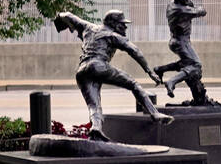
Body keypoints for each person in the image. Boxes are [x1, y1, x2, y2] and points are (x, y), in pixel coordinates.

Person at [53, 10, 173, 141]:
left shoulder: (88, 27)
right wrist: (149, 71)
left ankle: (96, 128)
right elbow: (135, 51)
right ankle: (155, 114)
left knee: (94, 105)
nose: (125, 27)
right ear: (114, 24)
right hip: (98, 65)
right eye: (122, 24)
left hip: (82, 71)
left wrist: (58, 20)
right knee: (133, 84)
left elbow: (68, 15)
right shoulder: (112, 35)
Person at [154, 0, 220, 105]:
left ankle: (161, 69)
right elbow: (201, 12)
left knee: (186, 64)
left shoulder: (172, 5)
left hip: (176, 41)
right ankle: (171, 82)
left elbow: (190, 8)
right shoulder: (181, 10)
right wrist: (192, 6)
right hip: (182, 42)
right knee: (196, 66)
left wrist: (188, 3)